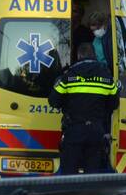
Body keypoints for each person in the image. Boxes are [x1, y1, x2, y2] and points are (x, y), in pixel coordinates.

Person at [48, 42, 119, 174]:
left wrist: (67, 103)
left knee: (69, 173)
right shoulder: (106, 77)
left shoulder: (69, 76)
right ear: (94, 55)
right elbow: (114, 104)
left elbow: (53, 101)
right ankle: (89, 194)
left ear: (78, 55)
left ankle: (70, 194)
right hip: (96, 131)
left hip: (74, 130)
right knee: (91, 174)